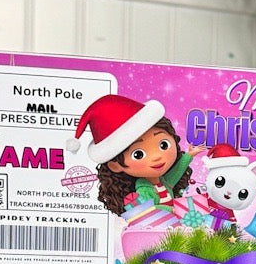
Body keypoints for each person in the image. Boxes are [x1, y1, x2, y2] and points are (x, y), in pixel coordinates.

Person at [66, 92, 202, 216]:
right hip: (156, 227)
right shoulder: (144, 189)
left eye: (163, 145)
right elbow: (149, 209)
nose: (157, 157)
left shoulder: (164, 182)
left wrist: (189, 155)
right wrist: (173, 210)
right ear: (115, 166)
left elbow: (176, 173)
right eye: (138, 154)